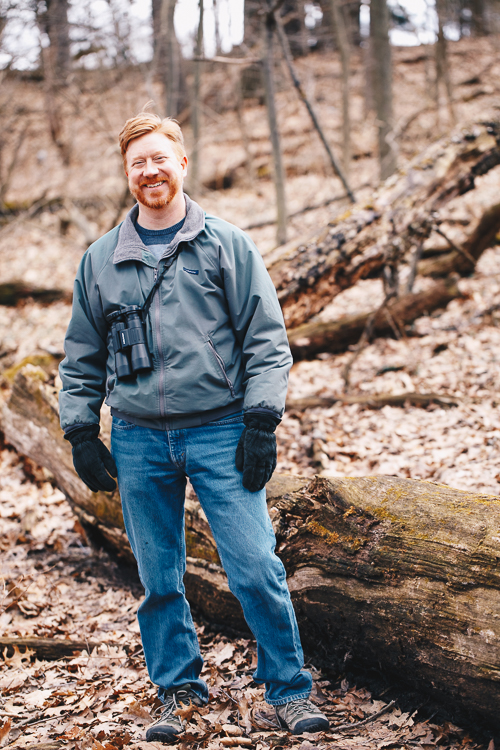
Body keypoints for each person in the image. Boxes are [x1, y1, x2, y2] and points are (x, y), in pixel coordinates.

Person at [58, 112, 330, 743]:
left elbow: (267, 341)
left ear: (182, 162)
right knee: (158, 578)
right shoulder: (101, 260)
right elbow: (81, 357)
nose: (149, 171)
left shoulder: (227, 244)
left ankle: (288, 690)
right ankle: (176, 690)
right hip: (136, 438)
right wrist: (79, 431)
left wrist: (261, 420)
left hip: (221, 430)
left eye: (159, 158)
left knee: (254, 566)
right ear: (127, 175)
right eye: (136, 163)